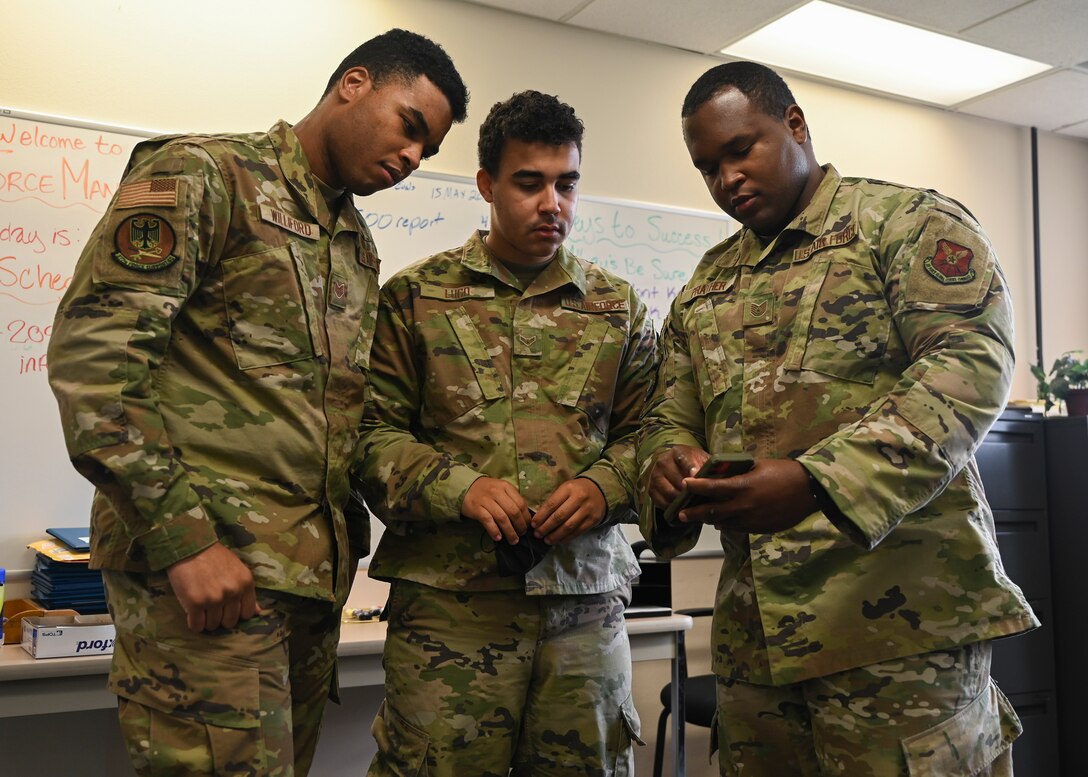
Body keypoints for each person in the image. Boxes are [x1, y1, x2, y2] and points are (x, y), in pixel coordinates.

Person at [46, 29, 467, 777]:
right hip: (204, 577)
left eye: (427, 151)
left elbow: (336, 421)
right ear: (355, 83)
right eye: (410, 125)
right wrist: (186, 542)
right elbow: (97, 364)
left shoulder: (354, 244)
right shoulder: (206, 175)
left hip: (303, 590)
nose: (411, 159)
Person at [637, 61, 1039, 776]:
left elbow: (967, 368)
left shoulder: (905, 224)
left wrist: (817, 482)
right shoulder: (704, 285)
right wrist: (669, 462)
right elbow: (670, 414)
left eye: (741, 149)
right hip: (759, 650)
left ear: (795, 124)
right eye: (707, 167)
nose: (727, 178)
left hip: (899, 634)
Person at [357, 90, 657, 776]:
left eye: (567, 183)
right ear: (488, 185)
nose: (553, 203)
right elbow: (370, 436)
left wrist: (603, 485)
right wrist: (460, 489)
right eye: (530, 183)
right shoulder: (416, 297)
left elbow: (655, 434)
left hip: (583, 605)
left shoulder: (618, 306)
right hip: (451, 609)